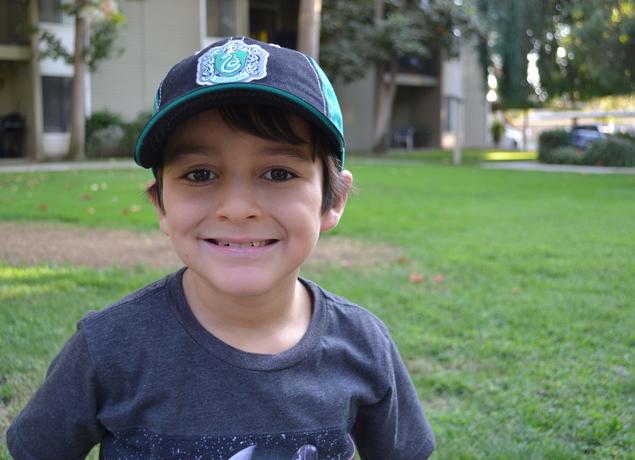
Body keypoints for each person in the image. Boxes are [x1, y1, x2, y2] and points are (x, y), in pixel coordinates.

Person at [7, 37, 435, 459]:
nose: (236, 208)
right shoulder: (108, 348)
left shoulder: (363, 345)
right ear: (161, 204)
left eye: (279, 173)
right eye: (199, 175)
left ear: (334, 199)